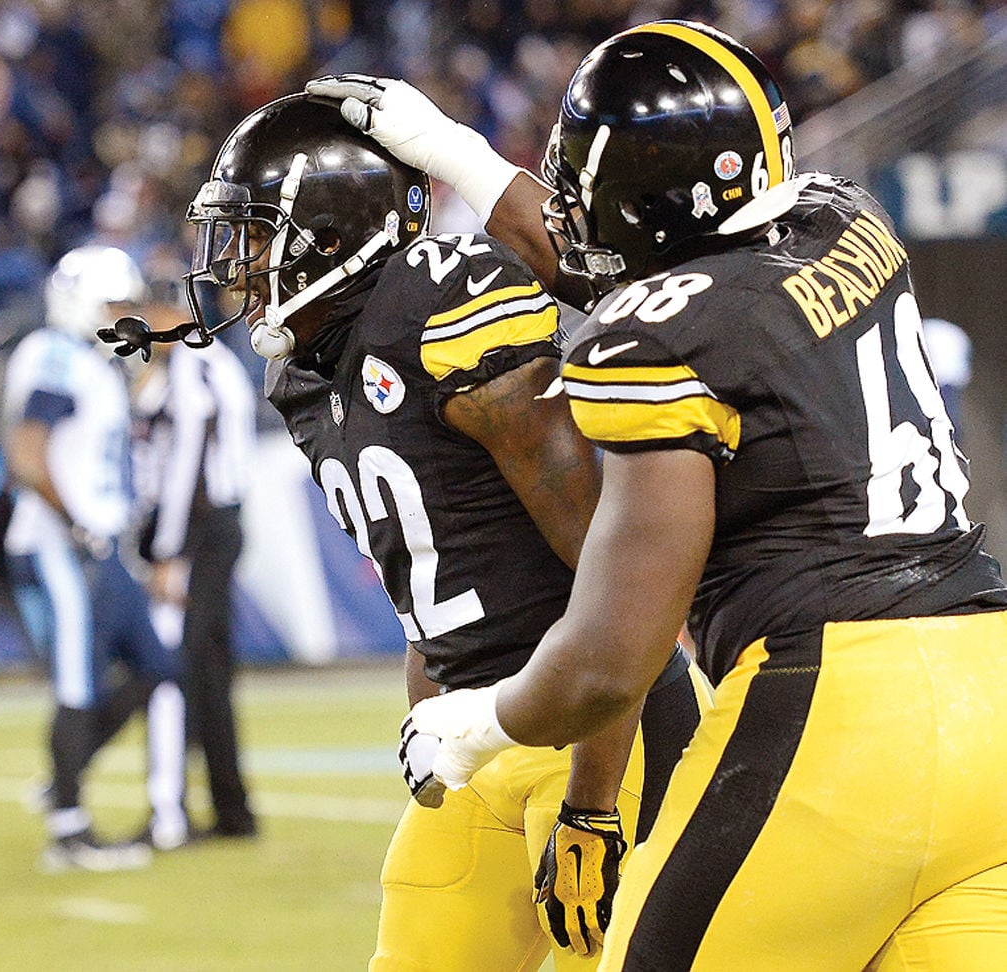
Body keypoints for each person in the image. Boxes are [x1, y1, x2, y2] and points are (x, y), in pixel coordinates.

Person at [310, 20, 1007, 970]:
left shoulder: (649, 343)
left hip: (838, 711)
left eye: (586, 184)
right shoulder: (843, 222)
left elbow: (612, 656)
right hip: (988, 689)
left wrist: (479, 725)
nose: (567, 209)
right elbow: (654, 273)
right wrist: (457, 154)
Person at [100, 92, 711, 969]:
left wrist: (593, 802)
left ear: (334, 233)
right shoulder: (305, 377)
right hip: (481, 730)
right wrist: (429, 726)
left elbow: (616, 584)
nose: (239, 266)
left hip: (600, 725)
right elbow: (426, 585)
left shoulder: (442, 307)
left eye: (260, 236)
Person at [3, 244, 186, 870]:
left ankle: (64, 776)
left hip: (100, 546)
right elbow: (28, 454)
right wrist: (79, 527)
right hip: (63, 545)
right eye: (113, 302)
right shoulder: (54, 353)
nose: (123, 314)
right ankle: (69, 831)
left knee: (156, 667)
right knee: (78, 683)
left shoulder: (93, 362)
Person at [131, 265, 259, 841]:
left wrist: (168, 550)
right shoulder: (211, 361)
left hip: (204, 529)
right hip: (220, 524)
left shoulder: (191, 364)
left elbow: (188, 468)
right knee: (206, 673)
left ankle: (181, 811)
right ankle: (229, 810)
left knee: (178, 668)